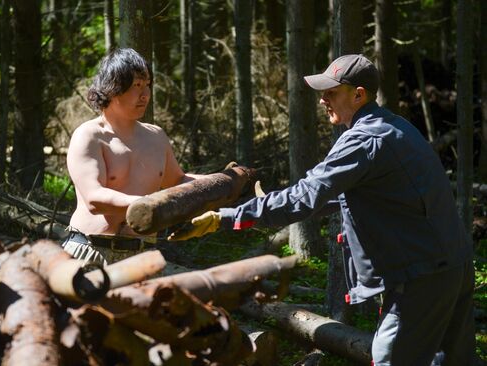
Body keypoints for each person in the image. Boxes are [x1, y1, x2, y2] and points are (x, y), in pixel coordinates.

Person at [169, 54, 475, 365]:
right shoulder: (393, 127)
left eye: (331, 92)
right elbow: (341, 196)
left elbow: (305, 197)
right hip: (453, 264)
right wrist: (266, 204)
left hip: (421, 277)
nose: (323, 100)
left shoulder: (363, 140)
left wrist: (226, 217)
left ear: (359, 94)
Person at [63, 48, 201, 265]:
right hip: (90, 252)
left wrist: (222, 181)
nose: (145, 94)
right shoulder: (89, 135)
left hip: (143, 256)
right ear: (113, 87)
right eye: (137, 85)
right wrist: (151, 204)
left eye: (147, 85)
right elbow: (94, 199)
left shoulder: (156, 136)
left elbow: (178, 180)